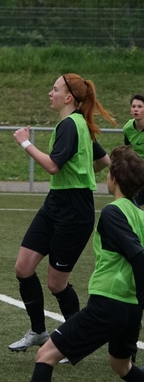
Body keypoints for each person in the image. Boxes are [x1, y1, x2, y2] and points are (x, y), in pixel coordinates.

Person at [11, 146, 144, 382]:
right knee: (122, 367)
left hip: (109, 304)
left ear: (114, 178)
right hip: (131, 309)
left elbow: (137, 255)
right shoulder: (140, 214)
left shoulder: (112, 212)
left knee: (45, 355)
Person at [9, 73, 115, 353]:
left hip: (75, 211)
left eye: (54, 89)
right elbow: (102, 161)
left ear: (69, 97)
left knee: (57, 283)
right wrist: (81, 174)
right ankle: (38, 331)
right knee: (23, 267)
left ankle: (76, 341)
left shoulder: (72, 124)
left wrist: (25, 143)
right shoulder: (76, 124)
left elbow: (54, 166)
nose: (50, 93)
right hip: (56, 202)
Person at [124, 93, 144, 202]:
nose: (136, 109)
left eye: (140, 107)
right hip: (138, 174)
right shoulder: (127, 128)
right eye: (133, 106)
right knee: (134, 203)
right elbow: (127, 151)